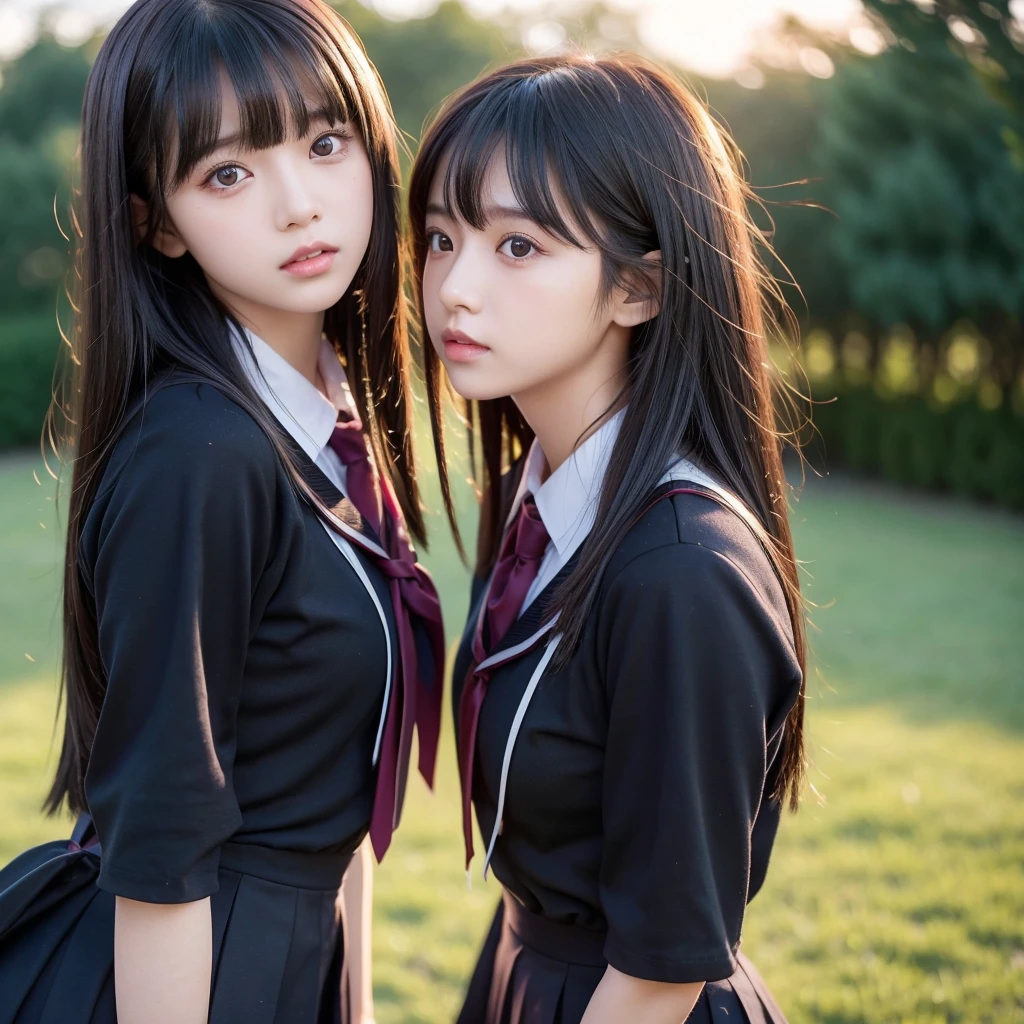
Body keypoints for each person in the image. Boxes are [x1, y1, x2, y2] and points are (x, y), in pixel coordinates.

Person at [0, 1, 444, 1022]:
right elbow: (163, 844)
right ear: (154, 220)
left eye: (325, 142)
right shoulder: (196, 454)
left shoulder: (322, 414)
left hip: (291, 957)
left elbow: (329, 796)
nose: (300, 205)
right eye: (227, 173)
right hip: (193, 975)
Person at [409, 53, 806, 1024]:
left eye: (518, 246)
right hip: (527, 973)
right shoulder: (536, 502)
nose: (454, 286)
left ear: (639, 288)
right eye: (441, 237)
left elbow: (663, 963)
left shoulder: (680, 571)